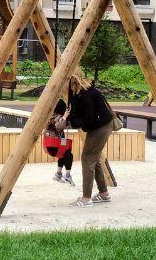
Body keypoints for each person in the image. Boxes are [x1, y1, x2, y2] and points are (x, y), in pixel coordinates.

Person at [67, 78, 116, 207]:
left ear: (74, 82)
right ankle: (104, 193)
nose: (68, 88)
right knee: (94, 159)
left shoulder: (86, 96)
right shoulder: (84, 92)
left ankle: (86, 198)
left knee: (87, 158)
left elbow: (88, 119)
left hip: (101, 127)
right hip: (101, 125)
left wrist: (69, 121)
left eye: (68, 84)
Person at [44, 99, 75, 186]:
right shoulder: (58, 117)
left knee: (63, 153)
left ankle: (58, 174)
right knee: (69, 155)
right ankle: (67, 175)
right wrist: (65, 116)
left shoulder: (51, 116)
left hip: (49, 145)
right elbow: (59, 126)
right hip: (54, 146)